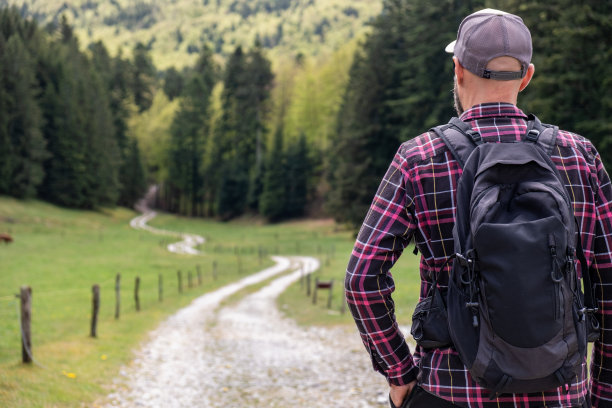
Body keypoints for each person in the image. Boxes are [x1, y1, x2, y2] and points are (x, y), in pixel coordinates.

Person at [345, 8, 612, 408]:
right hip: (560, 393)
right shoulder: (578, 156)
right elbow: (608, 283)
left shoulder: (419, 158)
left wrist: (399, 374)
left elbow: (361, 279)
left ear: (458, 70)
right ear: (527, 75)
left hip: (449, 392)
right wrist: (602, 394)